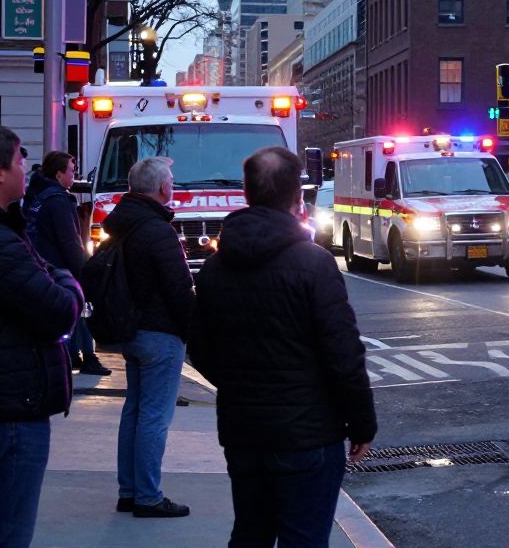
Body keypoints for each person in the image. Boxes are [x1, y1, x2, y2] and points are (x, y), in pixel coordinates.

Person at [189, 147, 376, 548]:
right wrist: (361, 423)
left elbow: (200, 347)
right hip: (308, 433)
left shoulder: (215, 268)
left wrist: (239, 383)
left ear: (246, 193)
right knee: (304, 538)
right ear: (297, 197)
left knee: (251, 532)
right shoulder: (314, 263)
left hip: (244, 430)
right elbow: (344, 355)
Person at [0, 126, 83, 547]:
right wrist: (66, 280)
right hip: (8, 406)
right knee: (4, 532)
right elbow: (59, 309)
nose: (25, 168)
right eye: (18, 160)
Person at [103, 156, 194, 518]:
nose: (172, 184)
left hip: (130, 329)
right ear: (161, 187)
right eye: (171, 180)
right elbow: (179, 289)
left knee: (135, 410)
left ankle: (130, 490)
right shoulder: (158, 231)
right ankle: (148, 496)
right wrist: (196, 332)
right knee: (155, 416)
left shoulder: (122, 225)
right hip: (160, 333)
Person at [24, 150, 112, 376]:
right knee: (81, 311)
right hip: (60, 268)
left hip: (42, 266)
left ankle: (75, 356)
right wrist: (85, 273)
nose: (75, 176)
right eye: (71, 171)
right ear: (58, 174)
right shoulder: (59, 201)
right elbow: (69, 242)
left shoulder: (38, 198)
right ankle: (86, 358)